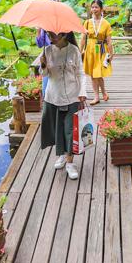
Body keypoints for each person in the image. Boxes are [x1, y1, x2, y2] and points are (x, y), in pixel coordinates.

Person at [39, 30, 87, 180]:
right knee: (57, 128)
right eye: (49, 35)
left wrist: (82, 91)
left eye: (53, 35)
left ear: (64, 35)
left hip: (72, 96)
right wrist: (43, 65)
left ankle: (70, 163)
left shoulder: (74, 51)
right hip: (53, 96)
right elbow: (44, 74)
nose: (50, 38)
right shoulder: (47, 50)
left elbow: (80, 73)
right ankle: (61, 155)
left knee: (70, 130)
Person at [80, 0, 113, 105]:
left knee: (98, 73)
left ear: (101, 9)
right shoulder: (87, 22)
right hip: (90, 50)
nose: (94, 9)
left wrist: (111, 53)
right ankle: (98, 95)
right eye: (93, 7)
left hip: (101, 50)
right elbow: (83, 38)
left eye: (96, 7)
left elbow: (109, 40)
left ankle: (101, 94)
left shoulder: (106, 24)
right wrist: (80, 51)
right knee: (94, 74)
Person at [35, 28, 51, 96]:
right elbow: (40, 44)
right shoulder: (43, 28)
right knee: (46, 83)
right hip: (47, 56)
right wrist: (38, 30)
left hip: (58, 55)